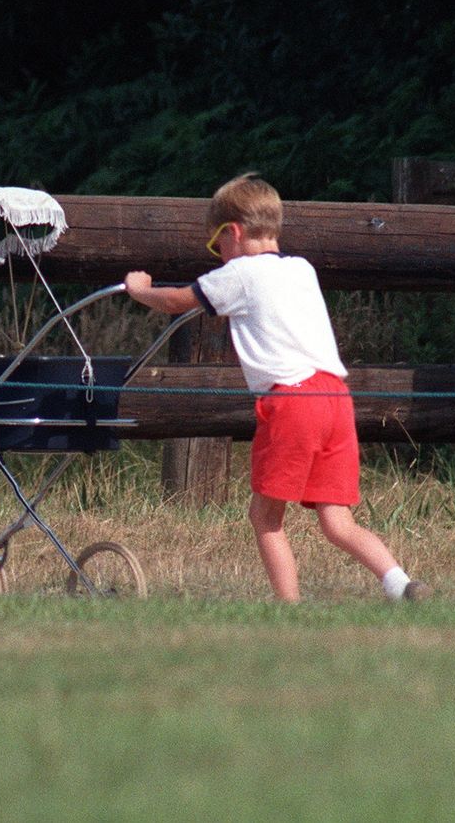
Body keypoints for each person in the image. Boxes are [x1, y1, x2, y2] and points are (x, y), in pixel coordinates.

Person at [124, 172, 430, 603]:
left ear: (232, 233)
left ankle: (289, 608)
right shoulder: (301, 269)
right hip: (335, 398)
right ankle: (399, 584)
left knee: (265, 517)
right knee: (337, 521)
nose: (219, 256)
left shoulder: (240, 274)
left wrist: (142, 290)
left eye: (217, 246)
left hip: (292, 401)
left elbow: (176, 302)